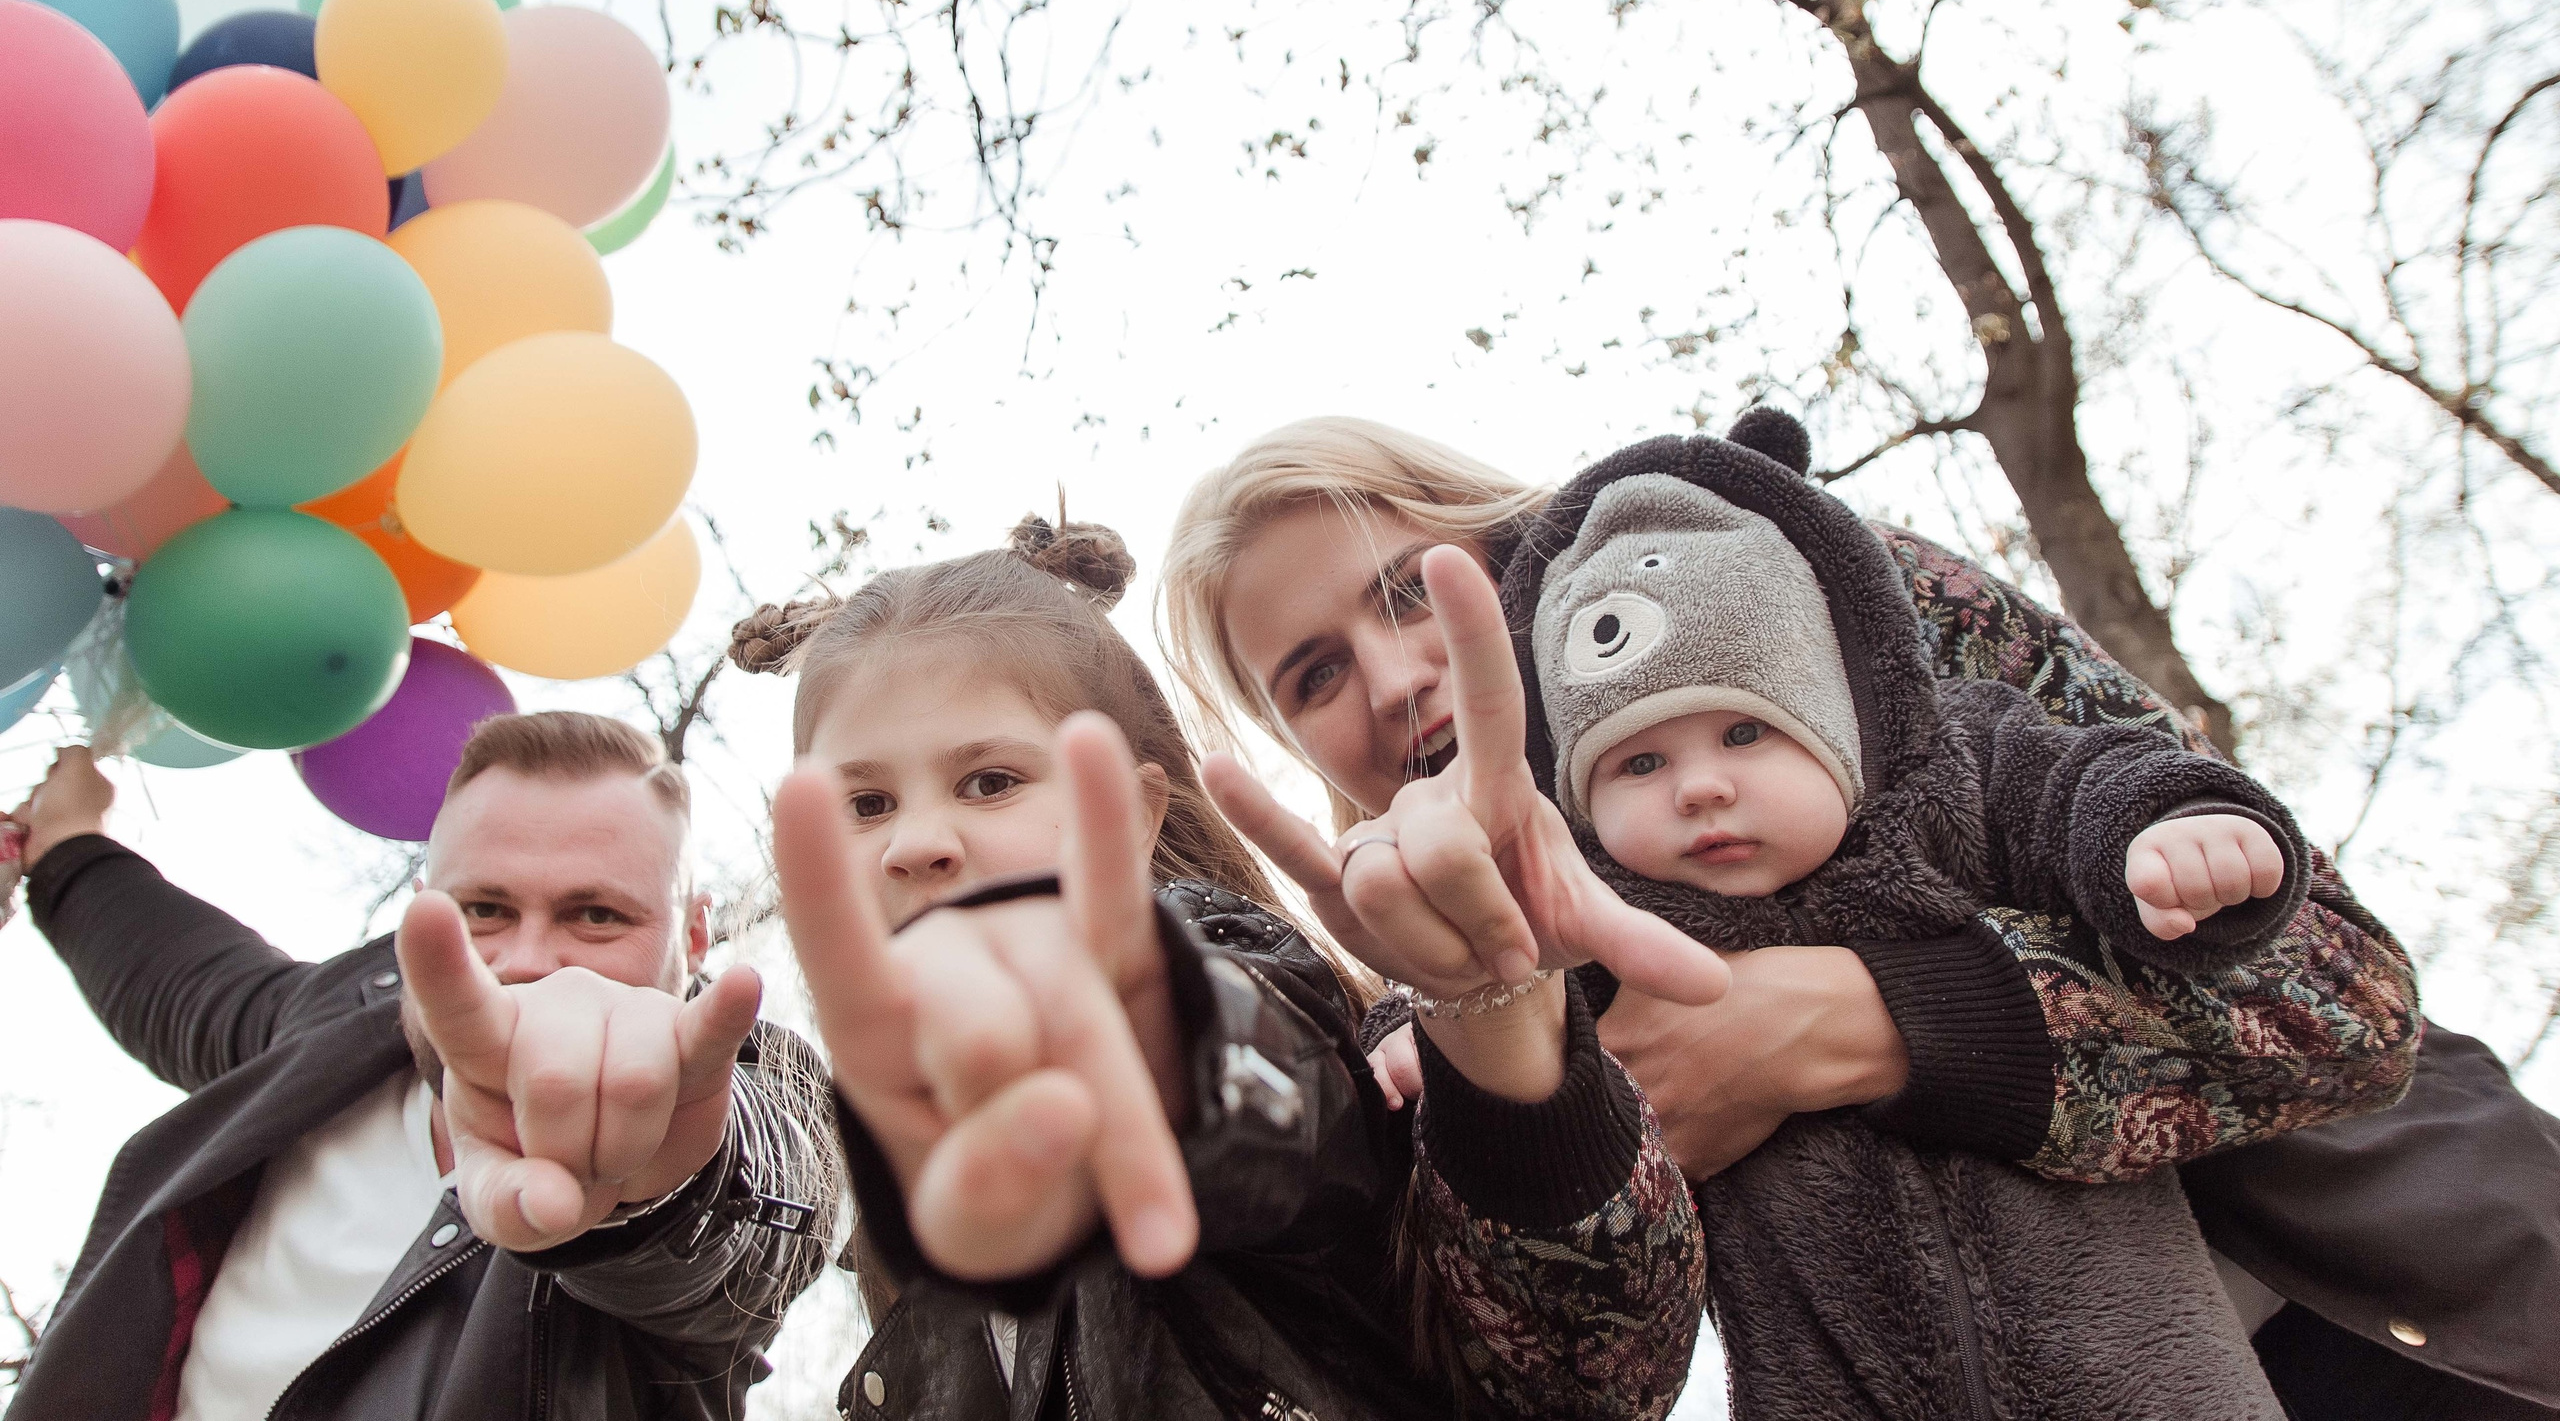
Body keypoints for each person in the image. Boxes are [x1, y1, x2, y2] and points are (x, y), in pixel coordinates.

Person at [1161, 413, 2560, 1418]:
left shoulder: (1809, 591)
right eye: (1313, 674)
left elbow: (2341, 992)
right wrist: (1515, 1082)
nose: (1394, 675)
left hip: (2428, 1326)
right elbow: (1568, 1374)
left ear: (1501, 542)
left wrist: (1869, 1020)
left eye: (1411, 589)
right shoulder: (1452, 981)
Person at [726, 516, 1714, 1421]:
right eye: (864, 805)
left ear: (1135, 813)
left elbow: (1270, 1070)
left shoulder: (1230, 969)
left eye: (990, 781)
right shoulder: (898, 1220)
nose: (915, 843)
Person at [1512, 427, 2315, 1415]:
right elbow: (1505, 984)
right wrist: (1427, 1035)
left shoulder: (1951, 777)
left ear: (1837, 722)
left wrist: (2175, 829)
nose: (1700, 786)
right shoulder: (1614, 919)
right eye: (1640, 763)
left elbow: (2084, 783)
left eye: (1745, 731)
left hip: (2139, 1362)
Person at [4, 712, 841, 1421]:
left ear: (692, 936)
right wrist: (67, 846)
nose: (526, 958)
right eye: (485, 908)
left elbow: (765, 1209)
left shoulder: (750, 1091)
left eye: (595, 915)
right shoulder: (339, 1022)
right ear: (424, 910)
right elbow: (178, 975)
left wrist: (660, 1183)